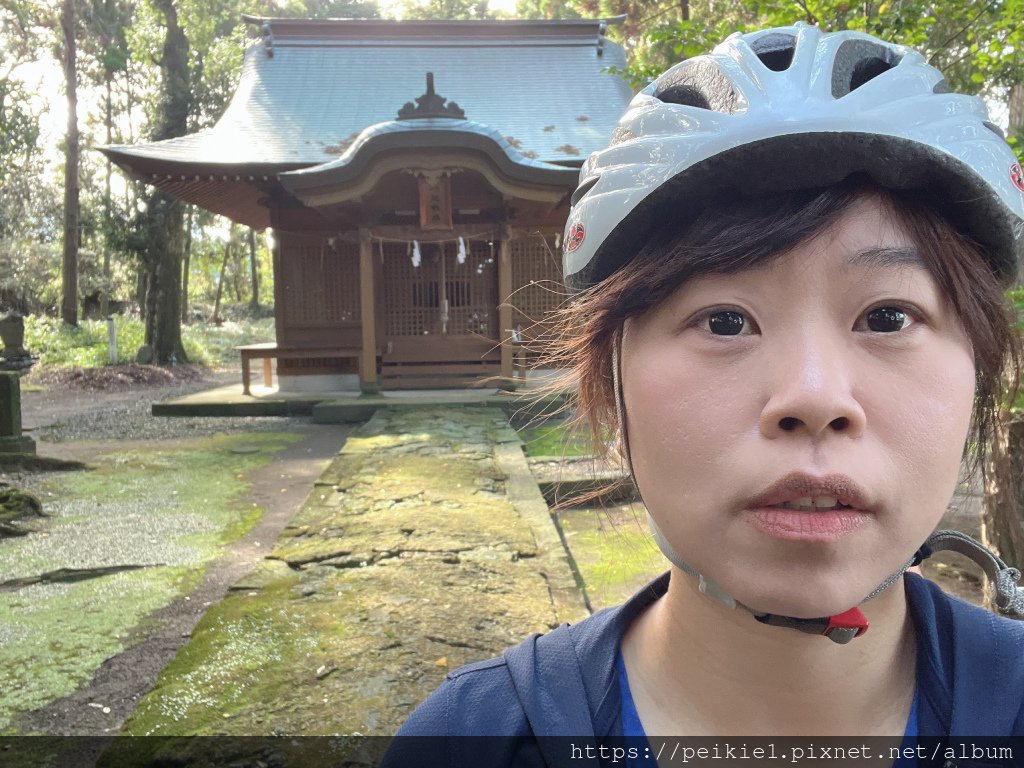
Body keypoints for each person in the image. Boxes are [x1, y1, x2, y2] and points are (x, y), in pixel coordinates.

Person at [384, 23, 1024, 764]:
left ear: (980, 374)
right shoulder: (472, 741)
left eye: (888, 316)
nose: (813, 397)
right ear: (609, 393)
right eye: (725, 321)